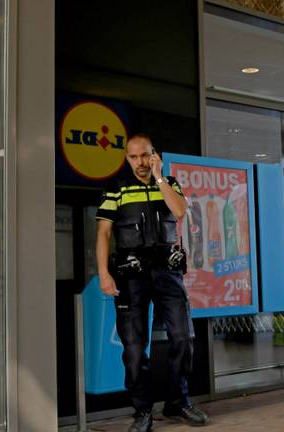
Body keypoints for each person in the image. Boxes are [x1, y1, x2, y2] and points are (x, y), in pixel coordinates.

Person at [95, 134, 208, 431]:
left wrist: (159, 178)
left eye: (145, 156)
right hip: (131, 275)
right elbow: (104, 233)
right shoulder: (116, 190)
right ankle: (142, 411)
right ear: (127, 159)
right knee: (133, 348)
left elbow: (181, 211)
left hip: (168, 272)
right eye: (133, 157)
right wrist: (104, 273)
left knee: (183, 337)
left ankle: (178, 402)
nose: (140, 162)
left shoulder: (169, 183)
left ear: (154, 155)